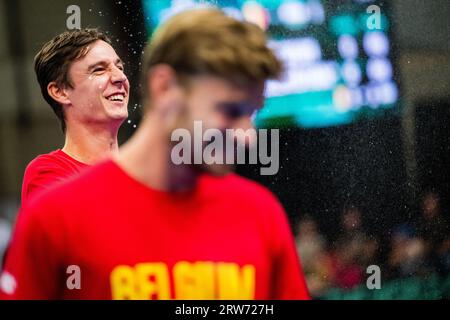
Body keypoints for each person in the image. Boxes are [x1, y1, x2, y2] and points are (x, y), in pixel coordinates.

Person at [0, 9, 309, 300]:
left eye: (120, 66)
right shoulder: (54, 214)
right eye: (229, 111)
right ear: (164, 88)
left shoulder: (259, 213)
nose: (247, 138)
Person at [21, 28, 129, 204]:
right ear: (60, 91)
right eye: (99, 70)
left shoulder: (145, 172)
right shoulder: (47, 172)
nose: (120, 77)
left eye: (120, 67)